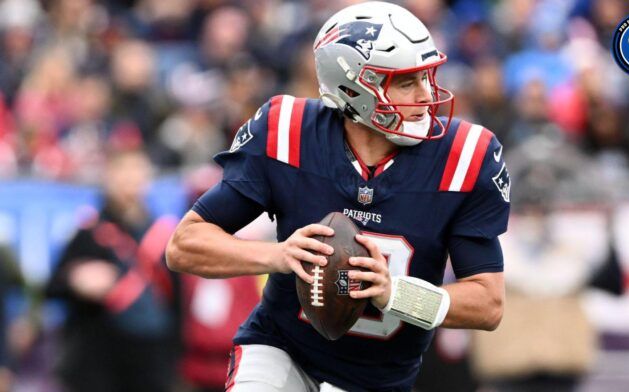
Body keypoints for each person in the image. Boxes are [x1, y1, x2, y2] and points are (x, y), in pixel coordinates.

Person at [167, 2, 510, 391]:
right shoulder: (288, 132)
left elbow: (488, 304)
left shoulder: (466, 156)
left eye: (428, 76)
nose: (426, 94)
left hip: (377, 377)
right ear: (353, 89)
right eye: (406, 81)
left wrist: (396, 293)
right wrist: (277, 256)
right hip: (282, 348)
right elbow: (184, 245)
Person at [46, 147, 180, 392]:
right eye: (122, 171)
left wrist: (178, 359)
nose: (130, 179)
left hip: (152, 359)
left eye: (136, 170)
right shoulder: (90, 232)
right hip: (99, 358)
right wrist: (75, 280)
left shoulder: (165, 234)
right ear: (108, 177)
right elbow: (53, 286)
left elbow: (179, 301)